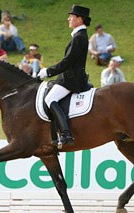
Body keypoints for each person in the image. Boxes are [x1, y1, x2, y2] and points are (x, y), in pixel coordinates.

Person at [38, 5, 91, 147]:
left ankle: (66, 134)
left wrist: (48, 72)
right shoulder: (79, 36)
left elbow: (68, 62)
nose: (68, 18)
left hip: (71, 79)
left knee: (50, 98)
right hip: (69, 76)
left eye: (72, 16)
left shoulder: (79, 37)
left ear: (80, 19)